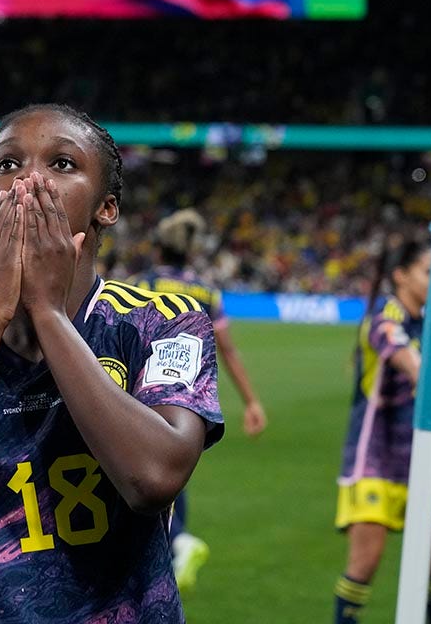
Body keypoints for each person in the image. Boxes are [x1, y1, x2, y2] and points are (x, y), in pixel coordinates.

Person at [0, 104, 225, 623]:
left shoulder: (159, 323)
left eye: (61, 164)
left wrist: (49, 315)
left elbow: (153, 477)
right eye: (7, 165)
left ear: (106, 208)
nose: (29, 181)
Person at [129, 208, 267, 593]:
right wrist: (252, 402)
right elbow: (229, 351)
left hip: (141, 391)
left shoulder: (138, 284)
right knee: (171, 468)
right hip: (189, 399)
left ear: (158, 249)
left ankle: (175, 543)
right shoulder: (207, 292)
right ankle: (176, 543)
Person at [333, 237, 431, 624]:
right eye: (428, 272)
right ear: (401, 275)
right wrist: (421, 372)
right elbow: (394, 345)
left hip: (421, 460)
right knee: (364, 564)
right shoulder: (384, 316)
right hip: (374, 459)